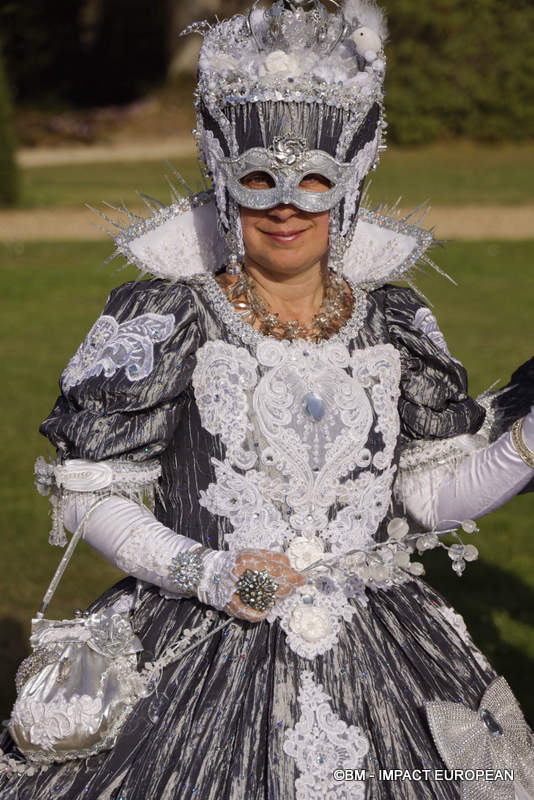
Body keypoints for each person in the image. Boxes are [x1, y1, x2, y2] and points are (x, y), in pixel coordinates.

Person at [1, 1, 534, 798]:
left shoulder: (394, 323)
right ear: (226, 184)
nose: (287, 205)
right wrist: (209, 572)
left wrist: (525, 445)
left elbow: (425, 498)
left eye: (313, 181)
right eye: (260, 179)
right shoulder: (169, 315)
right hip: (205, 639)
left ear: (347, 188)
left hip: (385, 647)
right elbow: (91, 496)